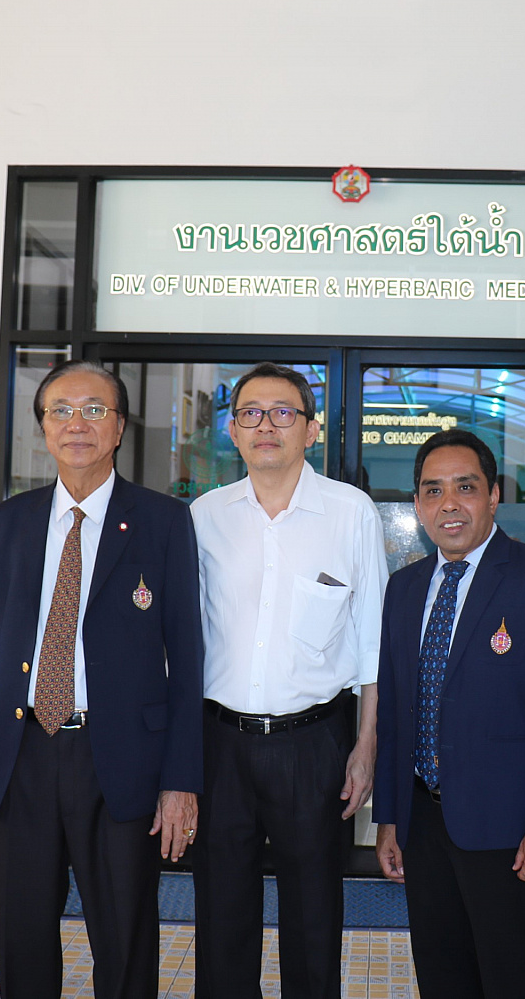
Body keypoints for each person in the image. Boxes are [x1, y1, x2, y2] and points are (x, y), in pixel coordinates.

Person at [0, 361, 203, 999]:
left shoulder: (163, 521)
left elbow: (188, 660)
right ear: (43, 428)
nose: (77, 424)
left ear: (119, 427)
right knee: (21, 937)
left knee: (125, 941)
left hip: (120, 760)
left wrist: (180, 781)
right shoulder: (11, 522)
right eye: (61, 411)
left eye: (95, 410)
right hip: (23, 757)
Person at [188, 363, 388, 999]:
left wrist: (366, 745)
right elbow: (182, 639)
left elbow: (373, 641)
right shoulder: (204, 516)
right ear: (233, 430)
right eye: (250, 413)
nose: (266, 425)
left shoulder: (350, 513)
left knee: (314, 915)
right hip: (219, 743)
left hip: (315, 743)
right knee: (221, 914)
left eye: (283, 412)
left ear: (311, 428)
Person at [374, 430, 525, 999]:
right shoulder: (403, 589)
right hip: (423, 825)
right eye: (433, 490)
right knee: (441, 974)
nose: (449, 504)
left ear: (493, 496)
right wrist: (390, 817)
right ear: (417, 504)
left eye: (465, 487)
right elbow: (395, 716)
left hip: (507, 828)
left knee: (509, 977)